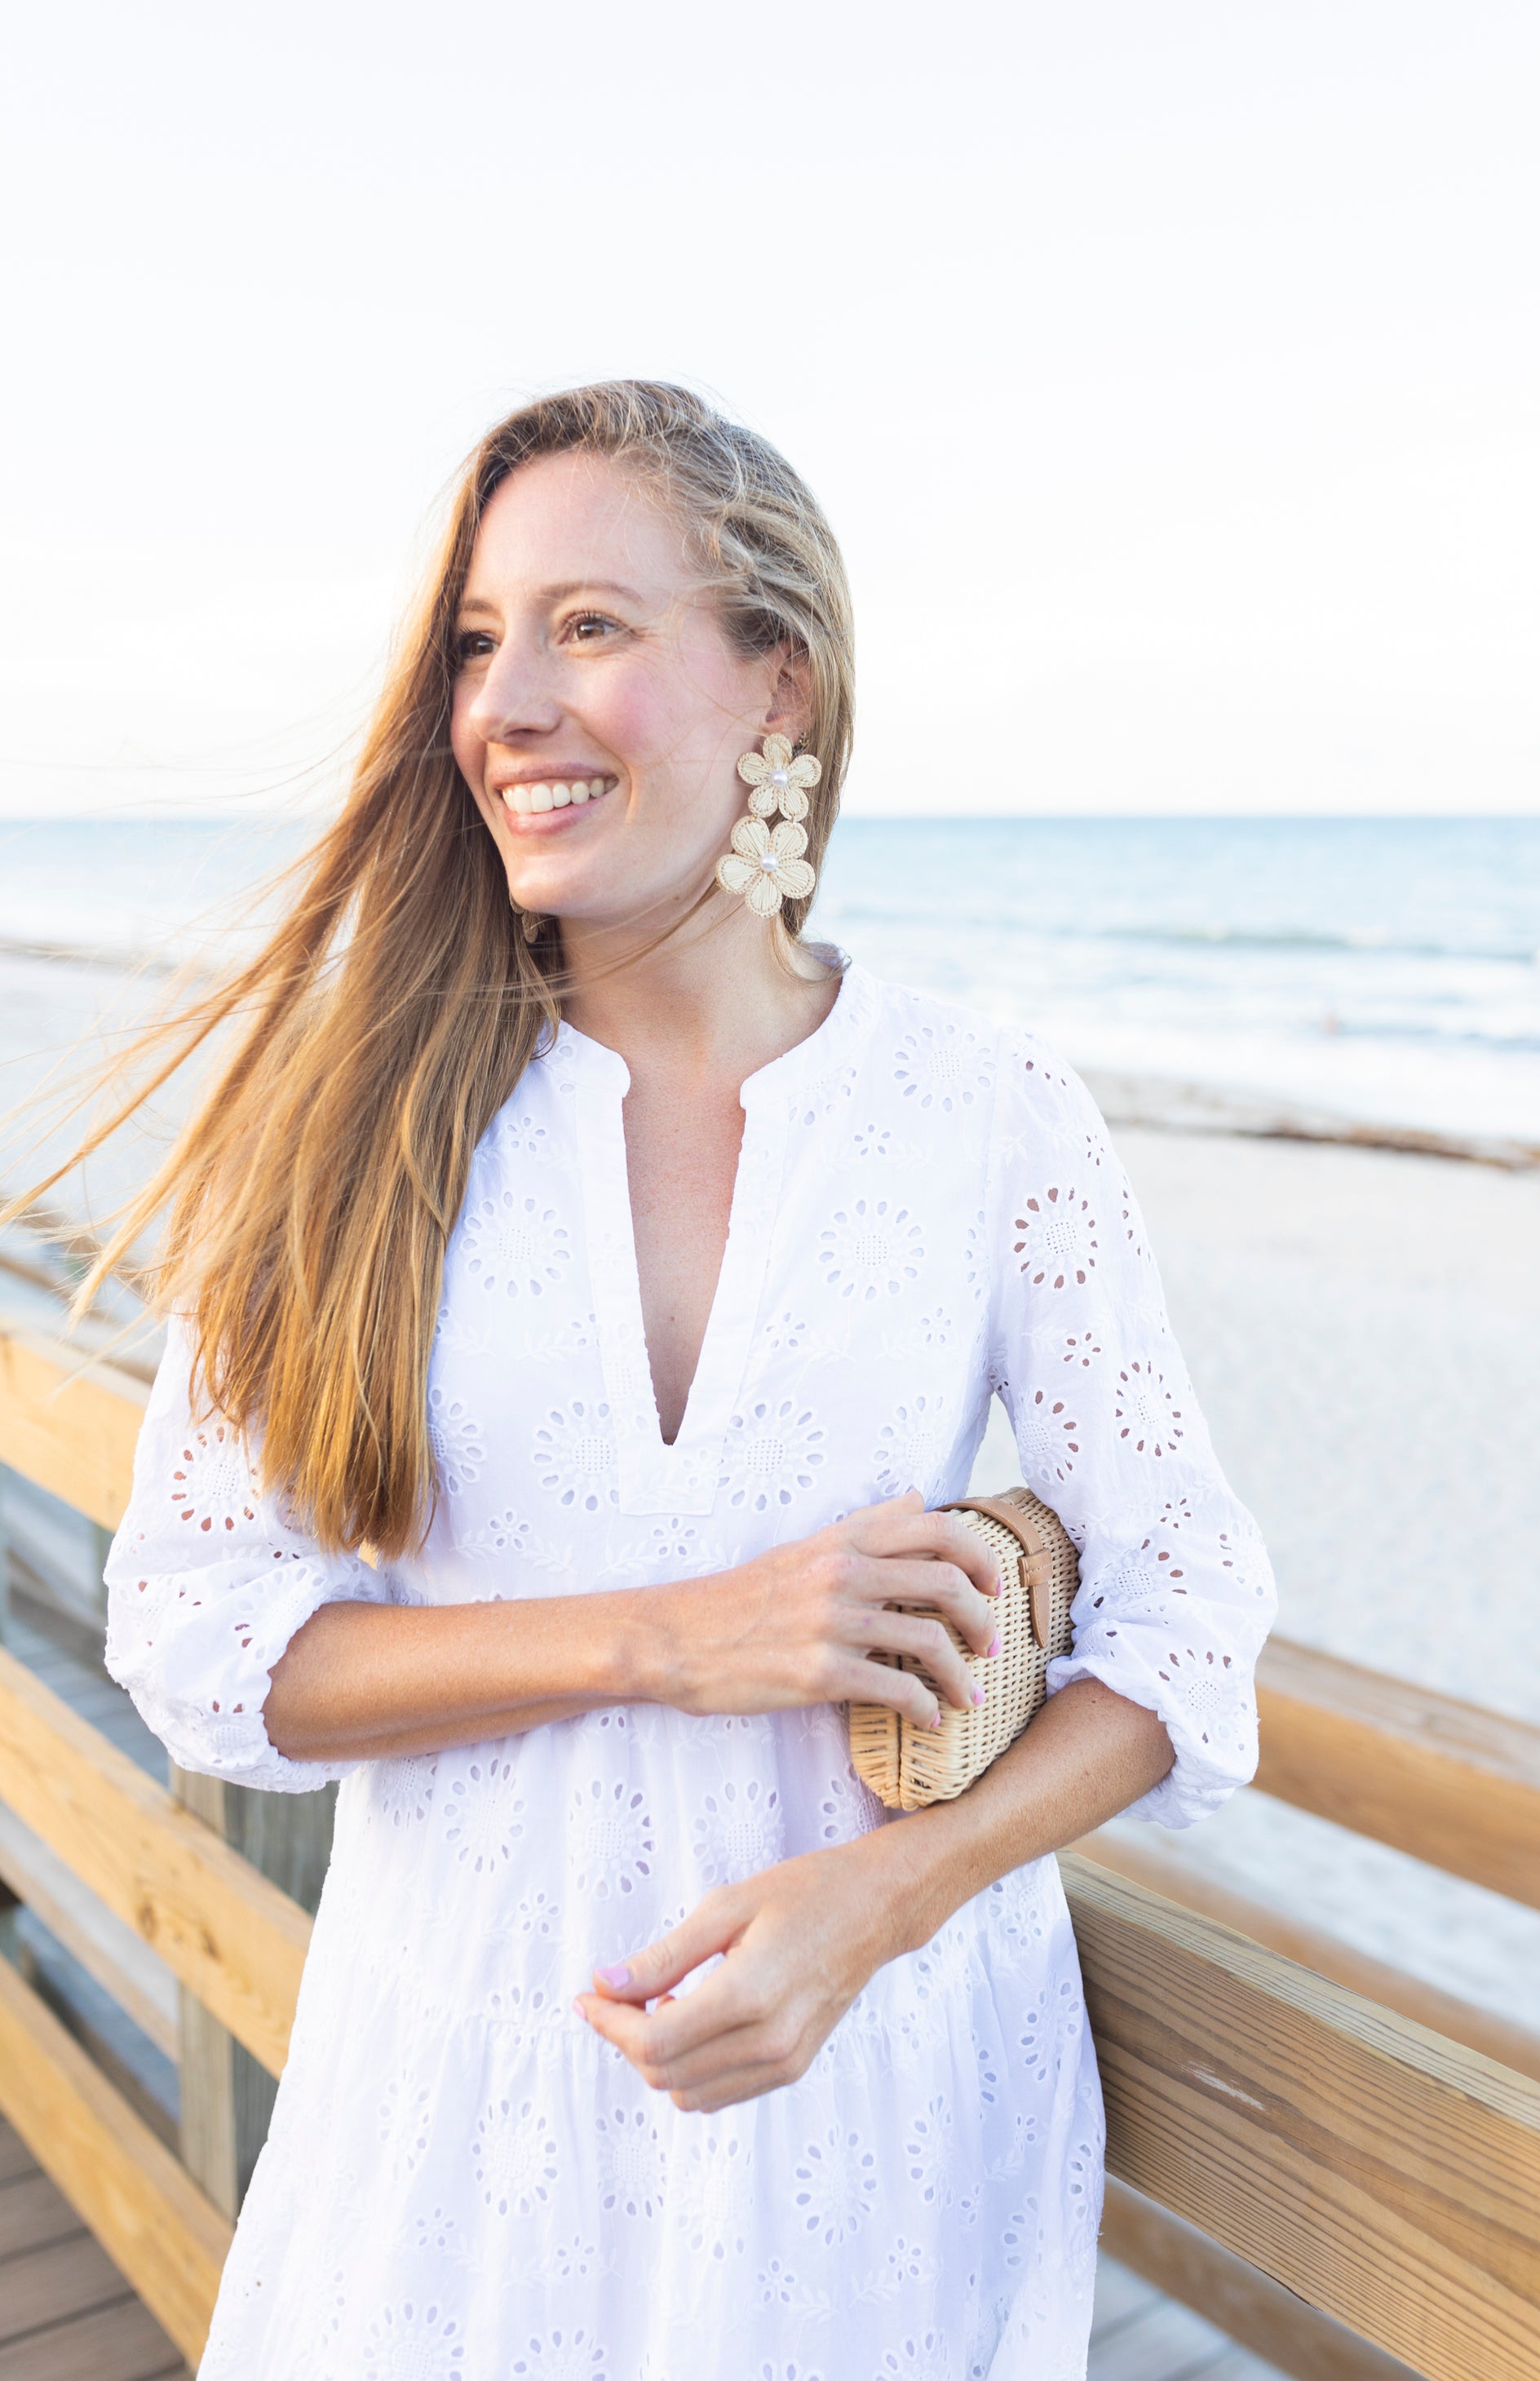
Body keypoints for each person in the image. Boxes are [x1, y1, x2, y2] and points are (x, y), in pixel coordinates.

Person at [95, 382, 1273, 2379]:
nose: (507, 701)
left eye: (590, 626)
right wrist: (667, 1635)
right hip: (456, 2100)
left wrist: (887, 1901)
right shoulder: (357, 1121)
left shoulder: (992, 1118)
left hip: (876, 2111)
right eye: (478, 640)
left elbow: (1193, 1623)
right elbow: (196, 1637)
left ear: (776, 686)